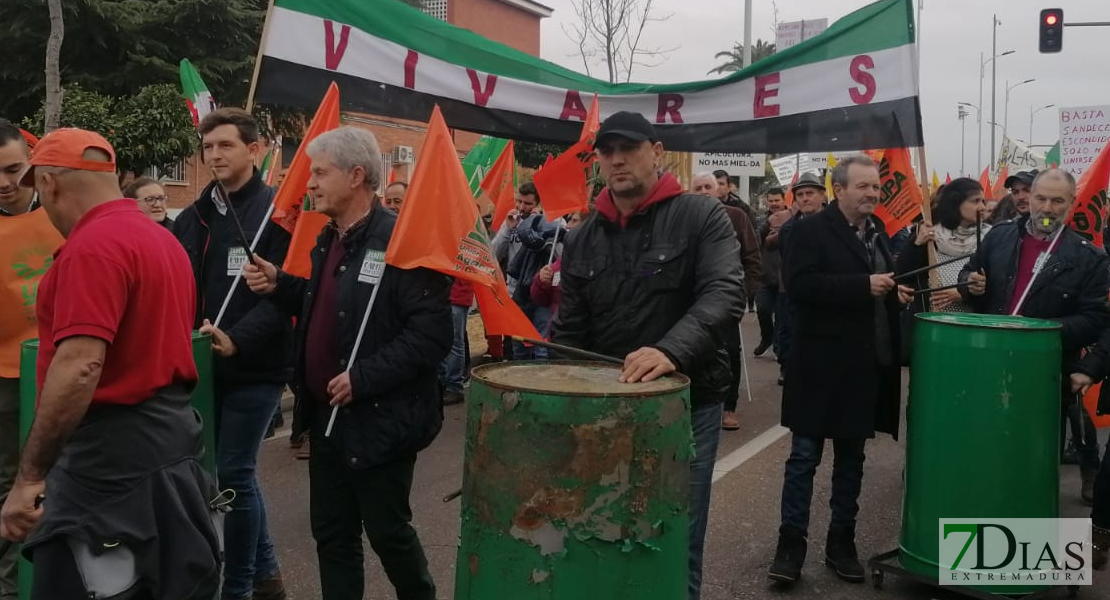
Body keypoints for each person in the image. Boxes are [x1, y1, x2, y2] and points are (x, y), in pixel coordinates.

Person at [0, 128, 220, 599]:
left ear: (50, 184)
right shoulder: (161, 239)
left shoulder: (92, 246)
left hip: (110, 464)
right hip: (168, 447)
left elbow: (80, 365)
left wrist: (31, 476)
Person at [242, 126, 449, 600]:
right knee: (333, 537)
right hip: (328, 420)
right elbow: (328, 302)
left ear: (356, 176)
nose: (308, 183)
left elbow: (430, 335)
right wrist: (282, 283)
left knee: (388, 533)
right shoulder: (328, 239)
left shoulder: (401, 243)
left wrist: (363, 377)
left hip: (381, 420)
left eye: (319, 172)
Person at [551, 111, 743, 600]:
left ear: (656, 152)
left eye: (629, 149)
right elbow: (570, 331)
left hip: (687, 404)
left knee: (675, 535)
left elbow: (724, 292)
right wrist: (563, 404)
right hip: (607, 411)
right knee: (601, 528)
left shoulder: (701, 216)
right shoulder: (581, 237)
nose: (616, 160)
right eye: (607, 152)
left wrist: (669, 350)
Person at [769, 156, 912, 585]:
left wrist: (891, 292)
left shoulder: (879, 235)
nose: (873, 193)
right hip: (817, 365)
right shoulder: (808, 230)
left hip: (862, 369)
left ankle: (841, 543)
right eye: (864, 186)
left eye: (876, 187)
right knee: (804, 459)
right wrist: (863, 286)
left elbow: (874, 284)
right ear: (840, 189)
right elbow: (800, 286)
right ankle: (790, 547)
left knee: (851, 460)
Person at [173, 107, 292, 600]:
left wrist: (238, 337)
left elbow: (286, 297)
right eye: (208, 147)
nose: (215, 154)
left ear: (254, 150)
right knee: (223, 474)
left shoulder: (278, 214)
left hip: (256, 366)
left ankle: (238, 586)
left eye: (226, 145)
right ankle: (267, 576)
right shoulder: (193, 215)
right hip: (201, 365)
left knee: (236, 473)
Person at [959, 168, 1110, 505]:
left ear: (1071, 204)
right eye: (1041, 198)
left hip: (1044, 374)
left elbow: (1094, 318)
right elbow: (970, 271)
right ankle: (979, 517)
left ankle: (1023, 528)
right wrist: (969, 283)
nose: (1047, 207)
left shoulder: (1089, 258)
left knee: (1030, 462)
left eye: (1057, 201)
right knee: (984, 450)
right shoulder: (998, 237)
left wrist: (1040, 332)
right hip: (989, 364)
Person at [0, 120, 63, 600]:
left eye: (13, 170)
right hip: (4, 379)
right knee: (9, 485)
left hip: (61, 372)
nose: (4, 184)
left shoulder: (64, 216)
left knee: (56, 479)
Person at [692, 171, 761, 431]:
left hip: (725, 301)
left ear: (720, 190)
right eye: (697, 188)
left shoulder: (737, 217)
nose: (703, 192)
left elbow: (753, 260)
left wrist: (741, 295)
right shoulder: (685, 219)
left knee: (730, 353)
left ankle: (729, 407)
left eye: (708, 186)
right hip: (692, 301)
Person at [766, 173, 827, 386]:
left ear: (822, 195)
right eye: (800, 194)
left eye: (810, 193)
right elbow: (786, 255)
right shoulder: (789, 228)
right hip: (791, 289)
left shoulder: (836, 224)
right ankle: (789, 368)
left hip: (826, 290)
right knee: (789, 329)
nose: (805, 198)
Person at [898, 178, 990, 313]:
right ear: (956, 203)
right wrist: (916, 244)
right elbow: (903, 276)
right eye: (975, 201)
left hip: (974, 325)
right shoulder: (930, 234)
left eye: (983, 201)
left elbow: (1000, 286)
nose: (982, 207)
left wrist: (965, 293)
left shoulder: (991, 237)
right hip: (932, 323)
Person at [755, 188, 787, 357]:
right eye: (771, 200)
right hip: (765, 278)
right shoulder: (762, 220)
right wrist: (768, 223)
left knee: (782, 319)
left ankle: (778, 348)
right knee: (763, 310)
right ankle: (766, 337)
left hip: (785, 280)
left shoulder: (791, 219)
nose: (774, 204)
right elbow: (755, 241)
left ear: (784, 200)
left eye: (777, 200)